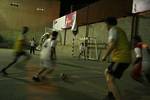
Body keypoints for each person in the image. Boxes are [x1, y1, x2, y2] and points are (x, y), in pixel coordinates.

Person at [101, 17, 131, 100]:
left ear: (108, 24)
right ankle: (111, 95)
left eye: (105, 24)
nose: (105, 27)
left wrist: (105, 56)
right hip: (123, 58)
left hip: (121, 58)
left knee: (110, 78)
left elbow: (112, 44)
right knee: (107, 72)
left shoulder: (113, 30)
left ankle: (115, 97)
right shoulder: (119, 30)